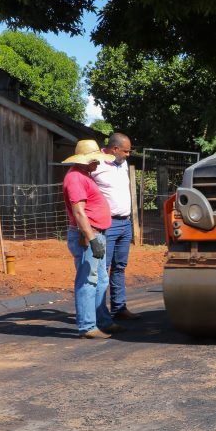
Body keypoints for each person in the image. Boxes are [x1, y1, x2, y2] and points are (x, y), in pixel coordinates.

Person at [62, 139, 123, 339]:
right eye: (94, 159)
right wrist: (92, 238)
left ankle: (102, 321)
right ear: (84, 160)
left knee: (101, 279)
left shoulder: (83, 175)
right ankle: (88, 326)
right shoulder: (75, 178)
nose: (97, 163)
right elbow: (79, 212)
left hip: (97, 234)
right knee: (88, 280)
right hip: (89, 235)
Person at [92, 132, 140, 320]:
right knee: (103, 269)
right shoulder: (97, 165)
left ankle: (119, 308)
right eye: (126, 151)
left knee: (119, 266)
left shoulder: (122, 163)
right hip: (107, 224)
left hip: (125, 223)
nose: (129, 155)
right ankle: (99, 312)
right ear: (115, 149)